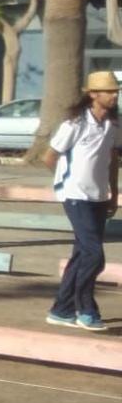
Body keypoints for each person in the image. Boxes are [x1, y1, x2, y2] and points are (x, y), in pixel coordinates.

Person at [44, 69, 121, 333]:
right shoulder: (75, 123)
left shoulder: (113, 125)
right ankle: (86, 309)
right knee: (94, 255)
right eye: (109, 92)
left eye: (116, 91)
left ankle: (61, 310)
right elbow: (49, 156)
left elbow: (112, 161)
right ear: (92, 94)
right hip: (75, 195)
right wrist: (65, 180)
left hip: (99, 196)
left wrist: (113, 192)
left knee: (81, 255)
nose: (114, 96)